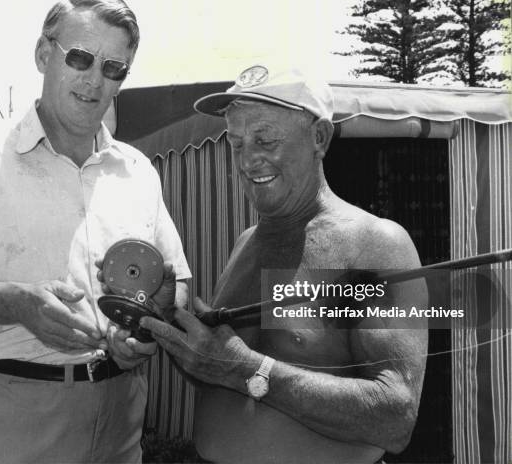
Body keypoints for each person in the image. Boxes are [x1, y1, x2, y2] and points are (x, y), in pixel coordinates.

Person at [0, 0, 190, 464]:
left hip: (122, 415)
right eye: (80, 58)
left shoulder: (137, 170)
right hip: (10, 412)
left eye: (113, 68)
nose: (95, 80)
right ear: (43, 54)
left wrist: (142, 330)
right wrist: (16, 303)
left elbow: (174, 283)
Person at [140, 65, 427, 464]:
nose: (247, 160)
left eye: (265, 138)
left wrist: (246, 370)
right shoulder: (247, 242)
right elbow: (220, 373)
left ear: (319, 137)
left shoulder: (374, 243)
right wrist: (170, 323)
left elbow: (394, 417)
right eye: (237, 143)